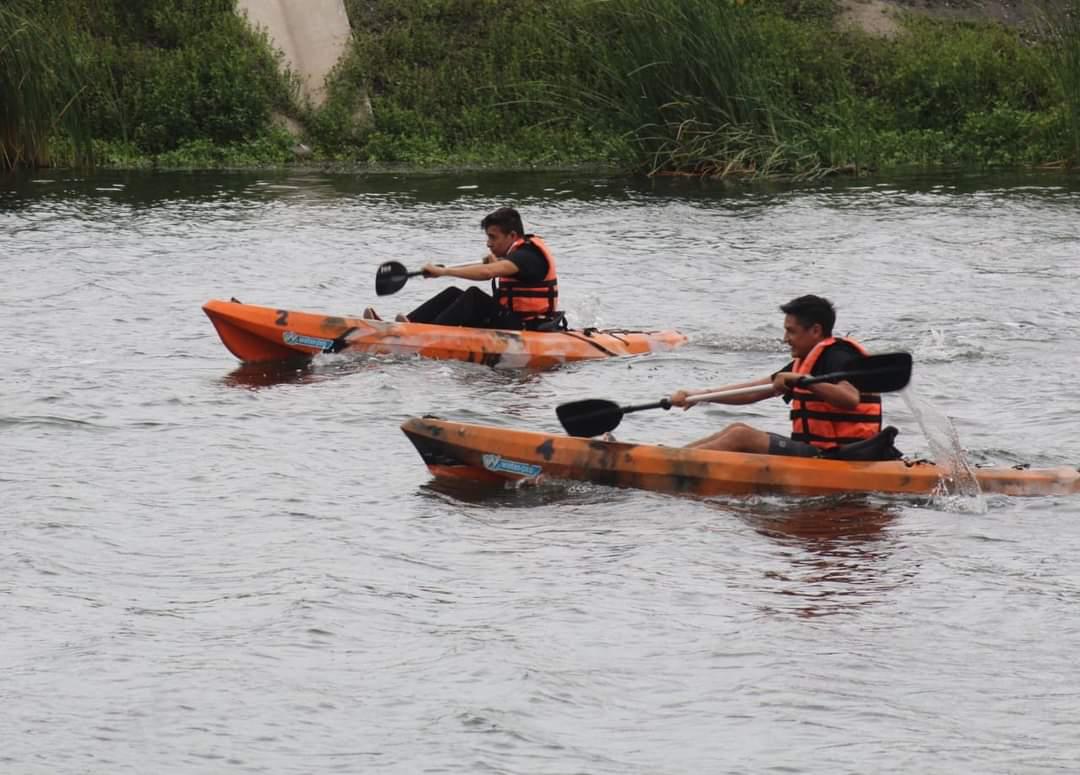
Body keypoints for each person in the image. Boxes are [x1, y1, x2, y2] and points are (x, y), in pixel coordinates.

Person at [669, 295, 883, 456]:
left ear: (816, 331)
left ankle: (672, 465)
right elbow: (752, 392)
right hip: (820, 451)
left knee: (741, 437)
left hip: (843, 457)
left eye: (791, 331)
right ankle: (671, 458)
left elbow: (850, 399)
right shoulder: (807, 360)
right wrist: (699, 395)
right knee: (737, 428)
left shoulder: (839, 356)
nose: (785, 338)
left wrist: (801, 381)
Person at [363, 207, 562, 330]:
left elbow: (487, 273)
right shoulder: (515, 255)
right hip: (510, 320)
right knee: (453, 293)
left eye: (493, 237)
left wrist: (444, 272)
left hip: (526, 326)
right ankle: (406, 326)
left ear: (512, 236)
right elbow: (495, 269)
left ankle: (425, 333)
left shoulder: (528, 255)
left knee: (474, 297)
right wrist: (493, 262)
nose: (488, 243)